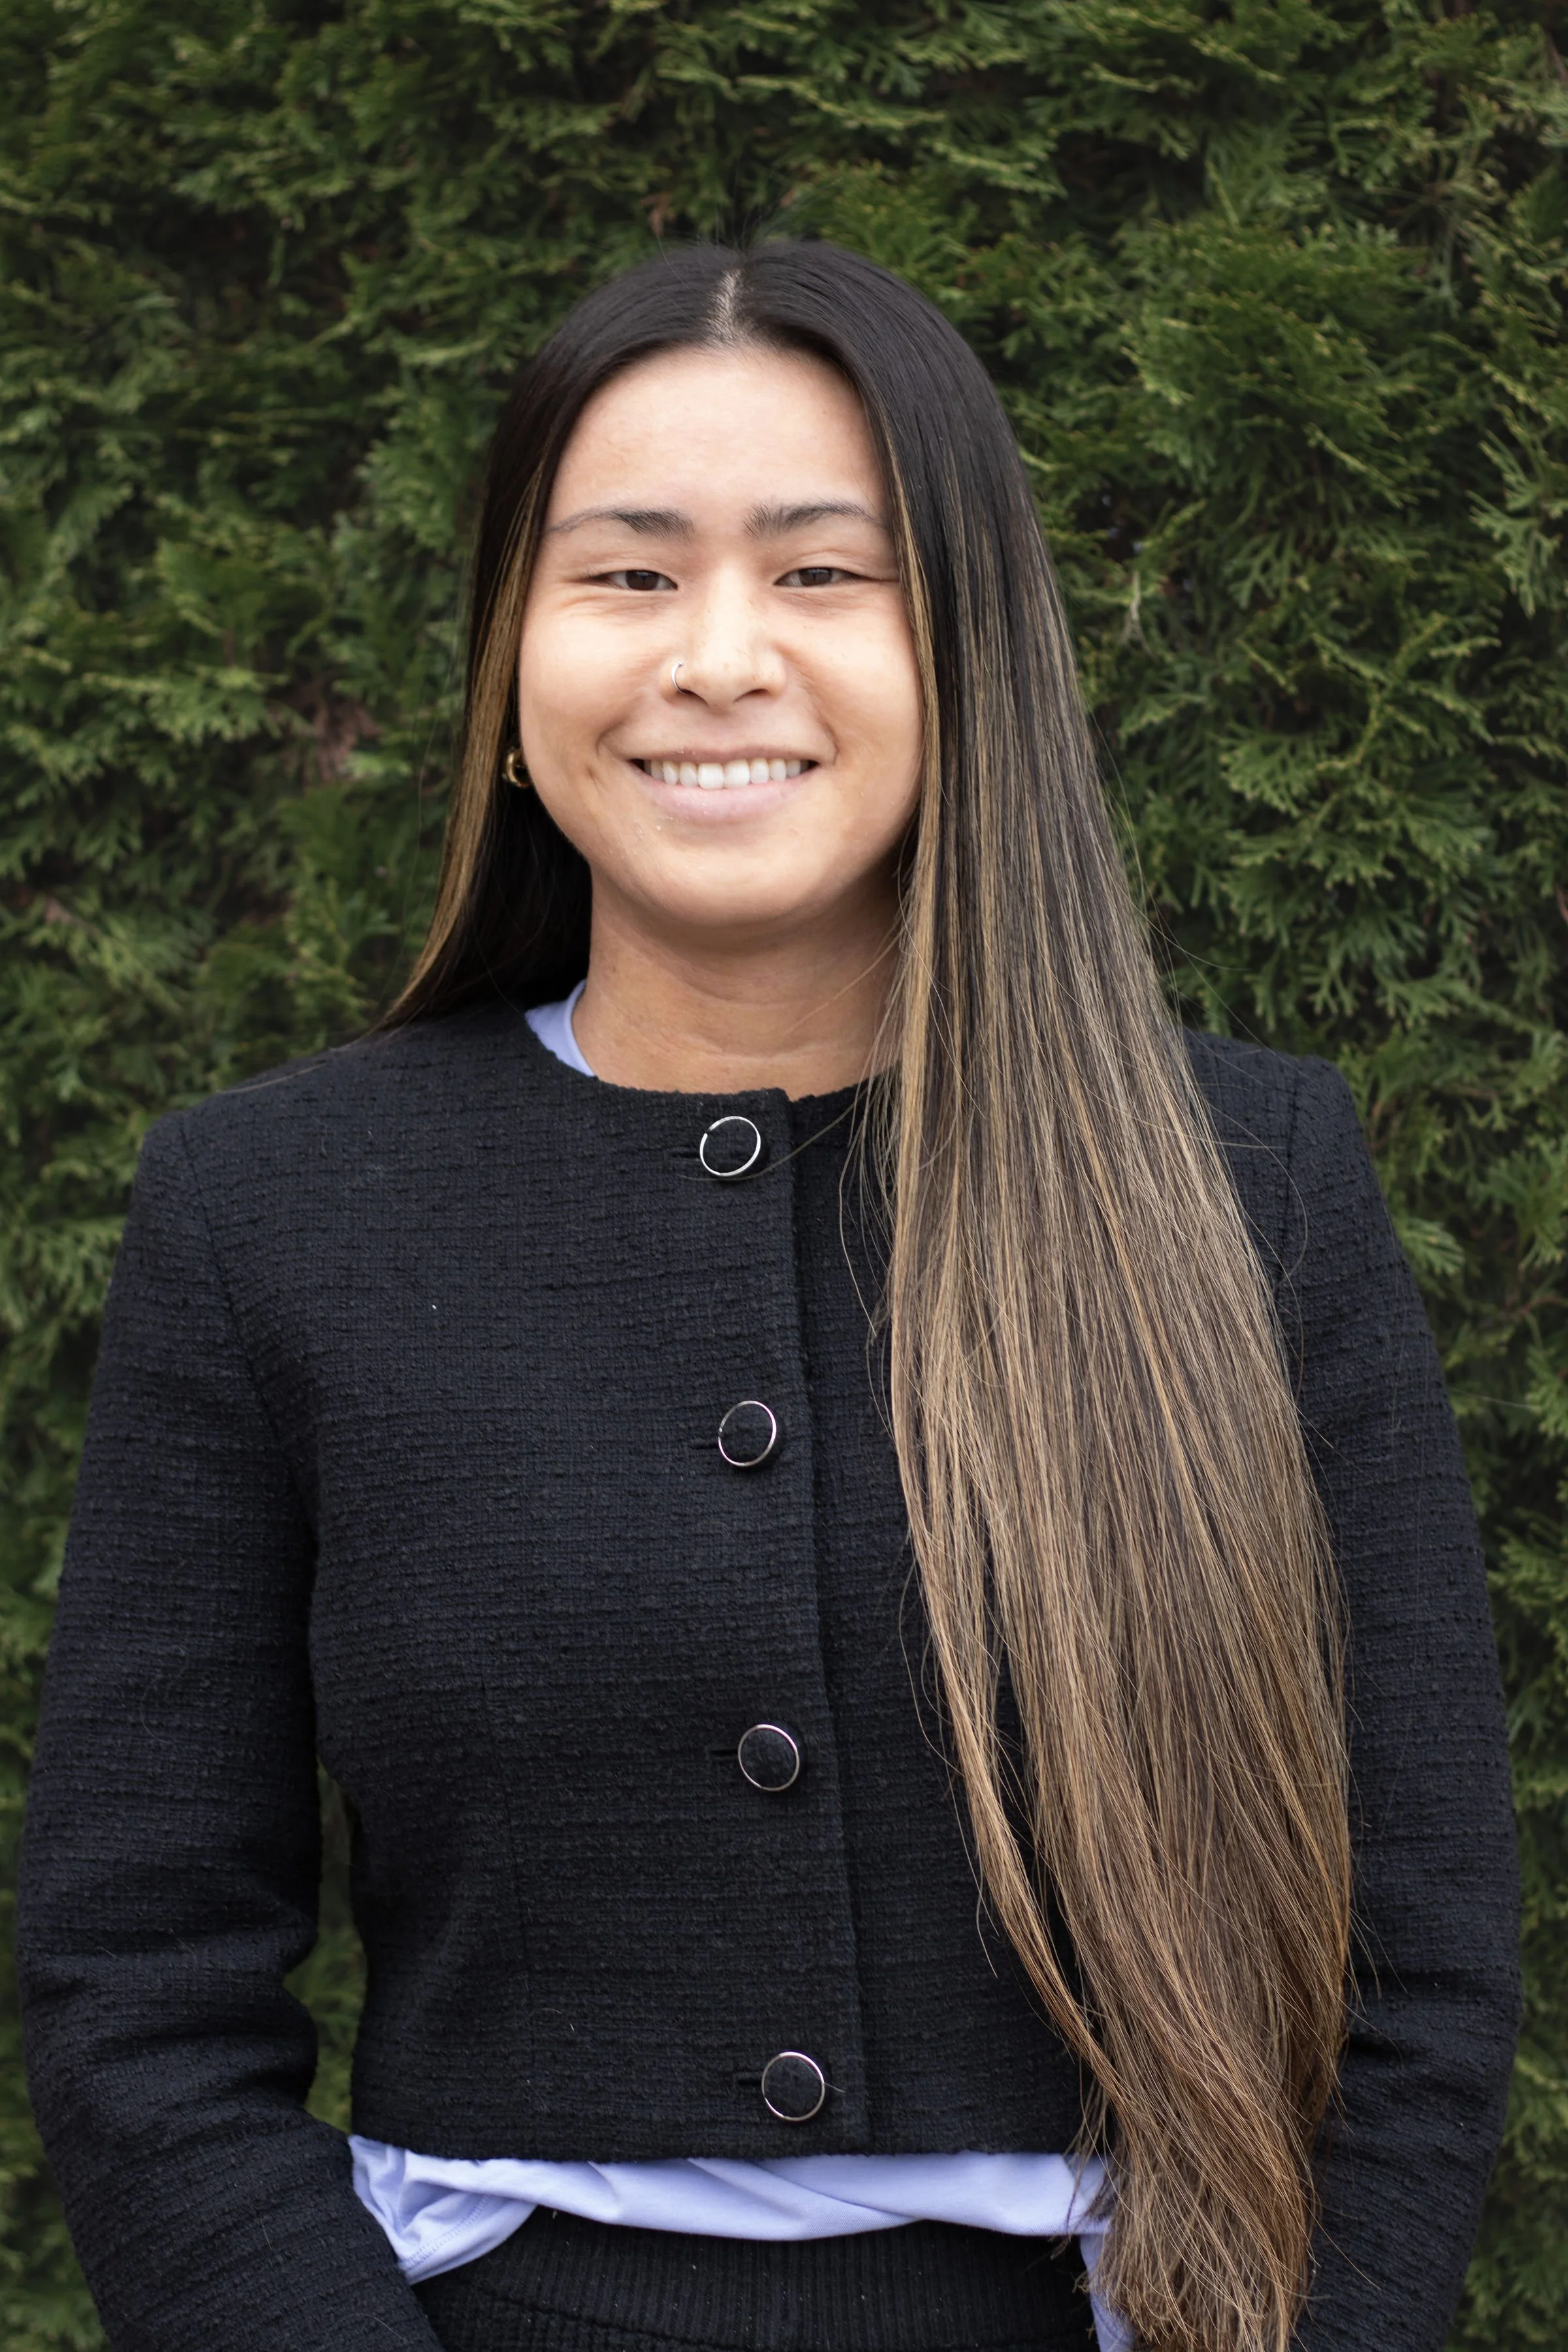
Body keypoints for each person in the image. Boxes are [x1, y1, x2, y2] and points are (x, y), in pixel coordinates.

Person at [18, 241, 1518, 2352]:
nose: (717, 658)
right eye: (627, 575)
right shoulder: (270, 1209)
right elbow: (138, 1986)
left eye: (825, 573)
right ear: (510, 665)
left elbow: (1414, 1977)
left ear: (968, 651)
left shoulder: (1242, 1179)